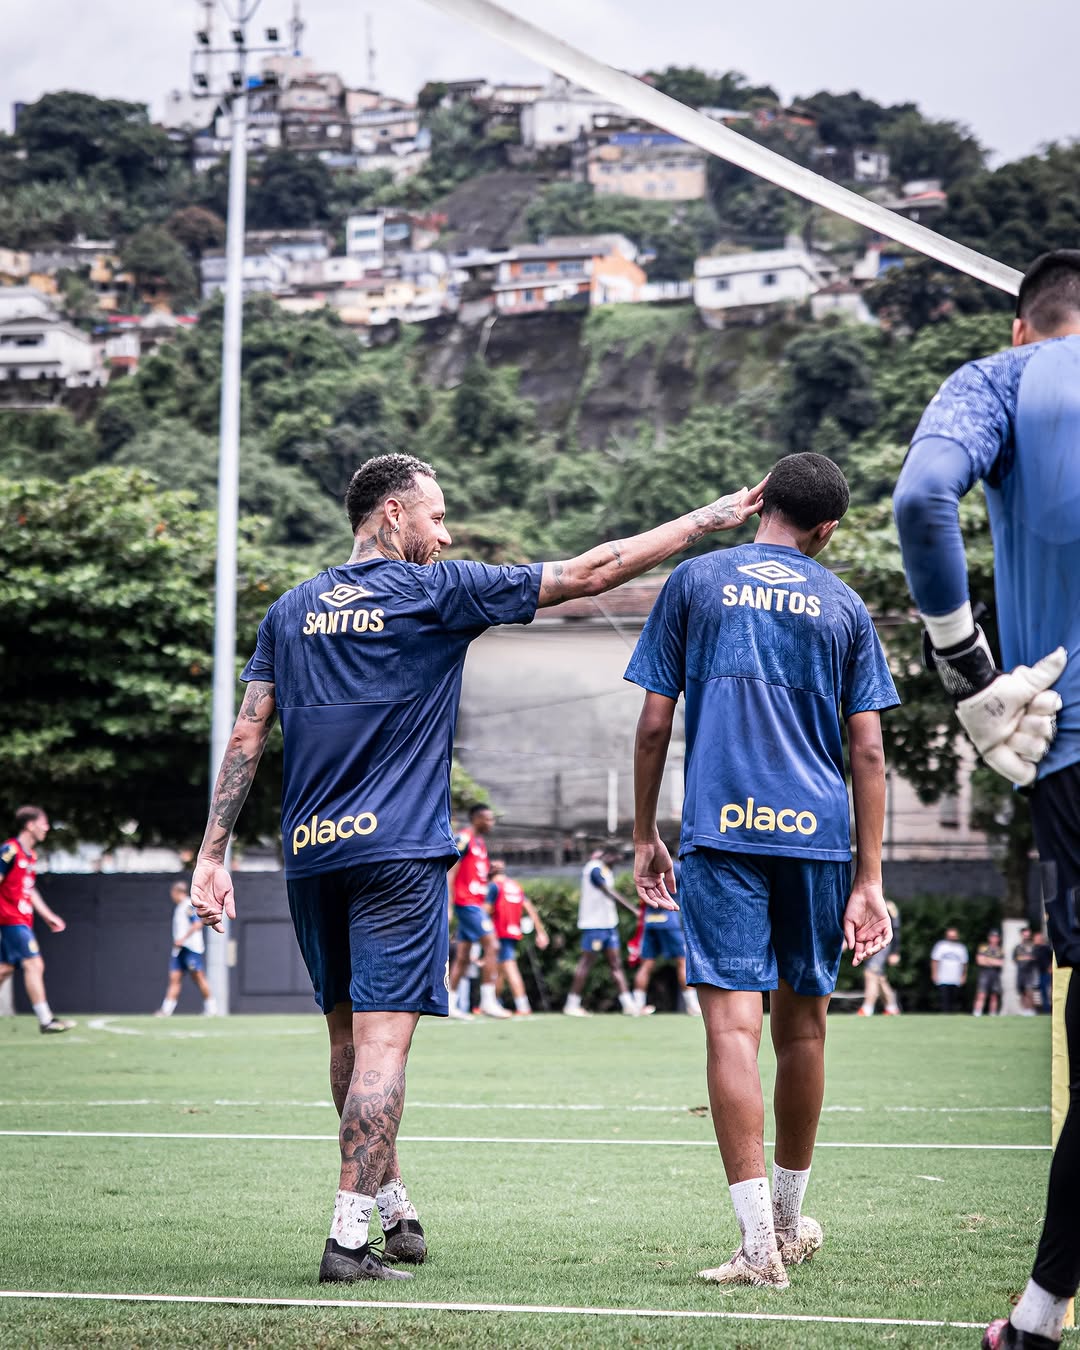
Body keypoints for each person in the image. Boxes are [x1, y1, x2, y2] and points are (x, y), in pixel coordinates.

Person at [189, 451, 766, 1285]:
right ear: (392, 515)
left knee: (348, 1042)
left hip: (312, 854)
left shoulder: (290, 609)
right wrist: (704, 523)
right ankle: (349, 1240)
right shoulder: (435, 590)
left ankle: (392, 1207)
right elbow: (589, 571)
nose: (445, 532)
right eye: (435, 515)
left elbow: (246, 736)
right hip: (396, 855)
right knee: (385, 1046)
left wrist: (212, 855)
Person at [627, 451, 897, 1289]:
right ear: (827, 529)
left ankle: (756, 1247)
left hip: (725, 832)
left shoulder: (695, 585)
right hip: (817, 842)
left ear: (759, 507)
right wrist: (869, 878)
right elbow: (869, 751)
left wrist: (645, 834)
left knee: (731, 1030)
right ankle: (787, 1222)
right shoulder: (846, 605)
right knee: (804, 1029)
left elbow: (651, 725)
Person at [893, 249, 1080, 1349]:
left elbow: (923, 497)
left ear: (1025, 328)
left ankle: (1040, 1316)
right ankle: (1037, 1314)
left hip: (1069, 747)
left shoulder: (1004, 381)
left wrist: (968, 668)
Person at [0, 806, 74, 1034]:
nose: (47, 828)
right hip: (10, 919)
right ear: (30, 825)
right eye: (44, 823)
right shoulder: (9, 850)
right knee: (34, 963)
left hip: (21, 919)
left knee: (4, 969)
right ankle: (46, 1020)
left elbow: (29, 890)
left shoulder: (30, 855)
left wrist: (48, 915)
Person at [563, 847, 640, 1017]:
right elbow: (608, 891)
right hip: (594, 926)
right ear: (607, 855)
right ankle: (571, 1004)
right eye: (615, 857)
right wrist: (633, 909)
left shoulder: (606, 870)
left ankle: (629, 1005)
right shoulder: (594, 869)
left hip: (609, 925)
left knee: (616, 964)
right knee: (586, 963)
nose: (617, 860)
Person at [446, 804, 507, 1020]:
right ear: (476, 818)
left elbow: (473, 873)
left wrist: (490, 873)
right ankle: (488, 1000)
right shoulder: (464, 838)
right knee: (493, 944)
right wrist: (449, 903)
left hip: (475, 903)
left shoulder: (480, 843)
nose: (491, 823)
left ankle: (451, 1003)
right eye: (488, 819)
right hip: (467, 903)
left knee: (463, 956)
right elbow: (450, 867)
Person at [487, 860, 548, 1015]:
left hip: (498, 933)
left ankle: (522, 1005)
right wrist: (541, 932)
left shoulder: (494, 887)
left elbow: (485, 910)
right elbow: (530, 909)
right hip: (513, 932)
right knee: (499, 972)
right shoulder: (515, 886)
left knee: (509, 967)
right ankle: (491, 1003)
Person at [632, 879, 700, 1016]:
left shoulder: (650, 866)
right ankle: (693, 1007)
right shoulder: (676, 868)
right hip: (669, 919)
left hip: (650, 920)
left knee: (646, 965)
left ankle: (637, 1007)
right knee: (682, 961)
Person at [155, 880, 218, 1017]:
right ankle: (166, 1010)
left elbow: (197, 924)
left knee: (198, 977)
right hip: (179, 951)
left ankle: (212, 1008)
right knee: (174, 978)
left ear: (177, 892)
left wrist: (182, 939)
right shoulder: (179, 907)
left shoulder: (188, 905)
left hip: (191, 949)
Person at [857, 899, 901, 1016]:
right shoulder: (866, 904)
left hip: (883, 943)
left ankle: (867, 1008)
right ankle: (892, 1007)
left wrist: (895, 952)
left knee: (870, 973)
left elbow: (896, 929)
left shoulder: (889, 905)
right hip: (870, 941)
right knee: (880, 978)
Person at [930, 926, 969, 1012]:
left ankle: (953, 1016)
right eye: (950, 936)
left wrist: (964, 976)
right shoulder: (941, 946)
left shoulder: (961, 948)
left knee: (955, 1000)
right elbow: (934, 961)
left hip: (956, 978)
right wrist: (934, 974)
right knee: (944, 999)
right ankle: (945, 1016)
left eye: (953, 936)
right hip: (943, 978)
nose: (952, 938)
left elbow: (965, 963)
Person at [973, 929, 1006, 1017]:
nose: (994, 939)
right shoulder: (983, 947)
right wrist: (994, 961)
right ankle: (977, 1013)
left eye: (996, 937)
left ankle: (993, 1014)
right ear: (989, 938)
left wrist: (987, 959)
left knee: (994, 995)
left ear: (999, 939)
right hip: (984, 974)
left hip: (995, 974)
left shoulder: (1000, 950)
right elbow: (980, 961)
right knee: (981, 994)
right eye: (992, 937)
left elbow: (1001, 963)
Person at [1014, 926, 1038, 1015]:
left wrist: (1026, 958)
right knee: (1022, 992)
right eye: (1024, 935)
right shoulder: (1017, 947)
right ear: (1021, 935)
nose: (1026, 936)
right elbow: (1015, 959)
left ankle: (1031, 1010)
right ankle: (1025, 1010)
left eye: (1027, 935)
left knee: (1029, 991)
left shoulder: (1033, 946)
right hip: (1020, 973)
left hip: (1030, 972)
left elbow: (1035, 958)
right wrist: (1025, 958)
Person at [1033, 932, 1054, 1014]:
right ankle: (1046, 1010)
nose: (1035, 940)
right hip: (1039, 973)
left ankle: (1049, 1010)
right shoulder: (1035, 949)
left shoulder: (1046, 948)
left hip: (1047, 973)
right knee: (1043, 993)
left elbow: (1052, 958)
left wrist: (1050, 967)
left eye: (1037, 938)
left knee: (1048, 992)